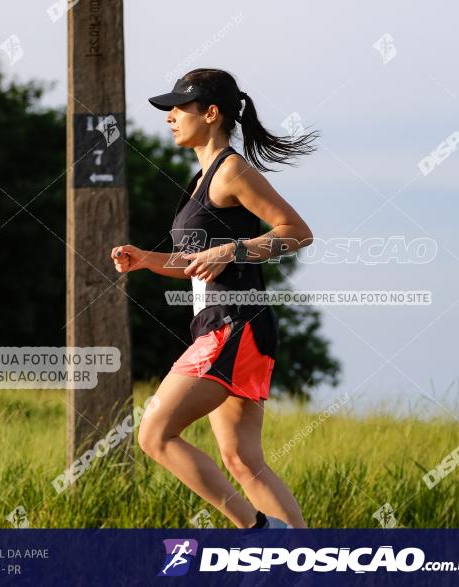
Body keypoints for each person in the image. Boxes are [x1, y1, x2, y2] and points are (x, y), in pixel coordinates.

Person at [110, 68, 319, 529]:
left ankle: (259, 533)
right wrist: (147, 259)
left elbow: (298, 233)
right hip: (223, 324)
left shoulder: (232, 170)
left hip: (234, 324)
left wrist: (235, 249)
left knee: (155, 435)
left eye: (178, 108)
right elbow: (197, 262)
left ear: (210, 113)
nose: (169, 118)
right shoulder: (201, 178)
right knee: (242, 459)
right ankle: (304, 563)